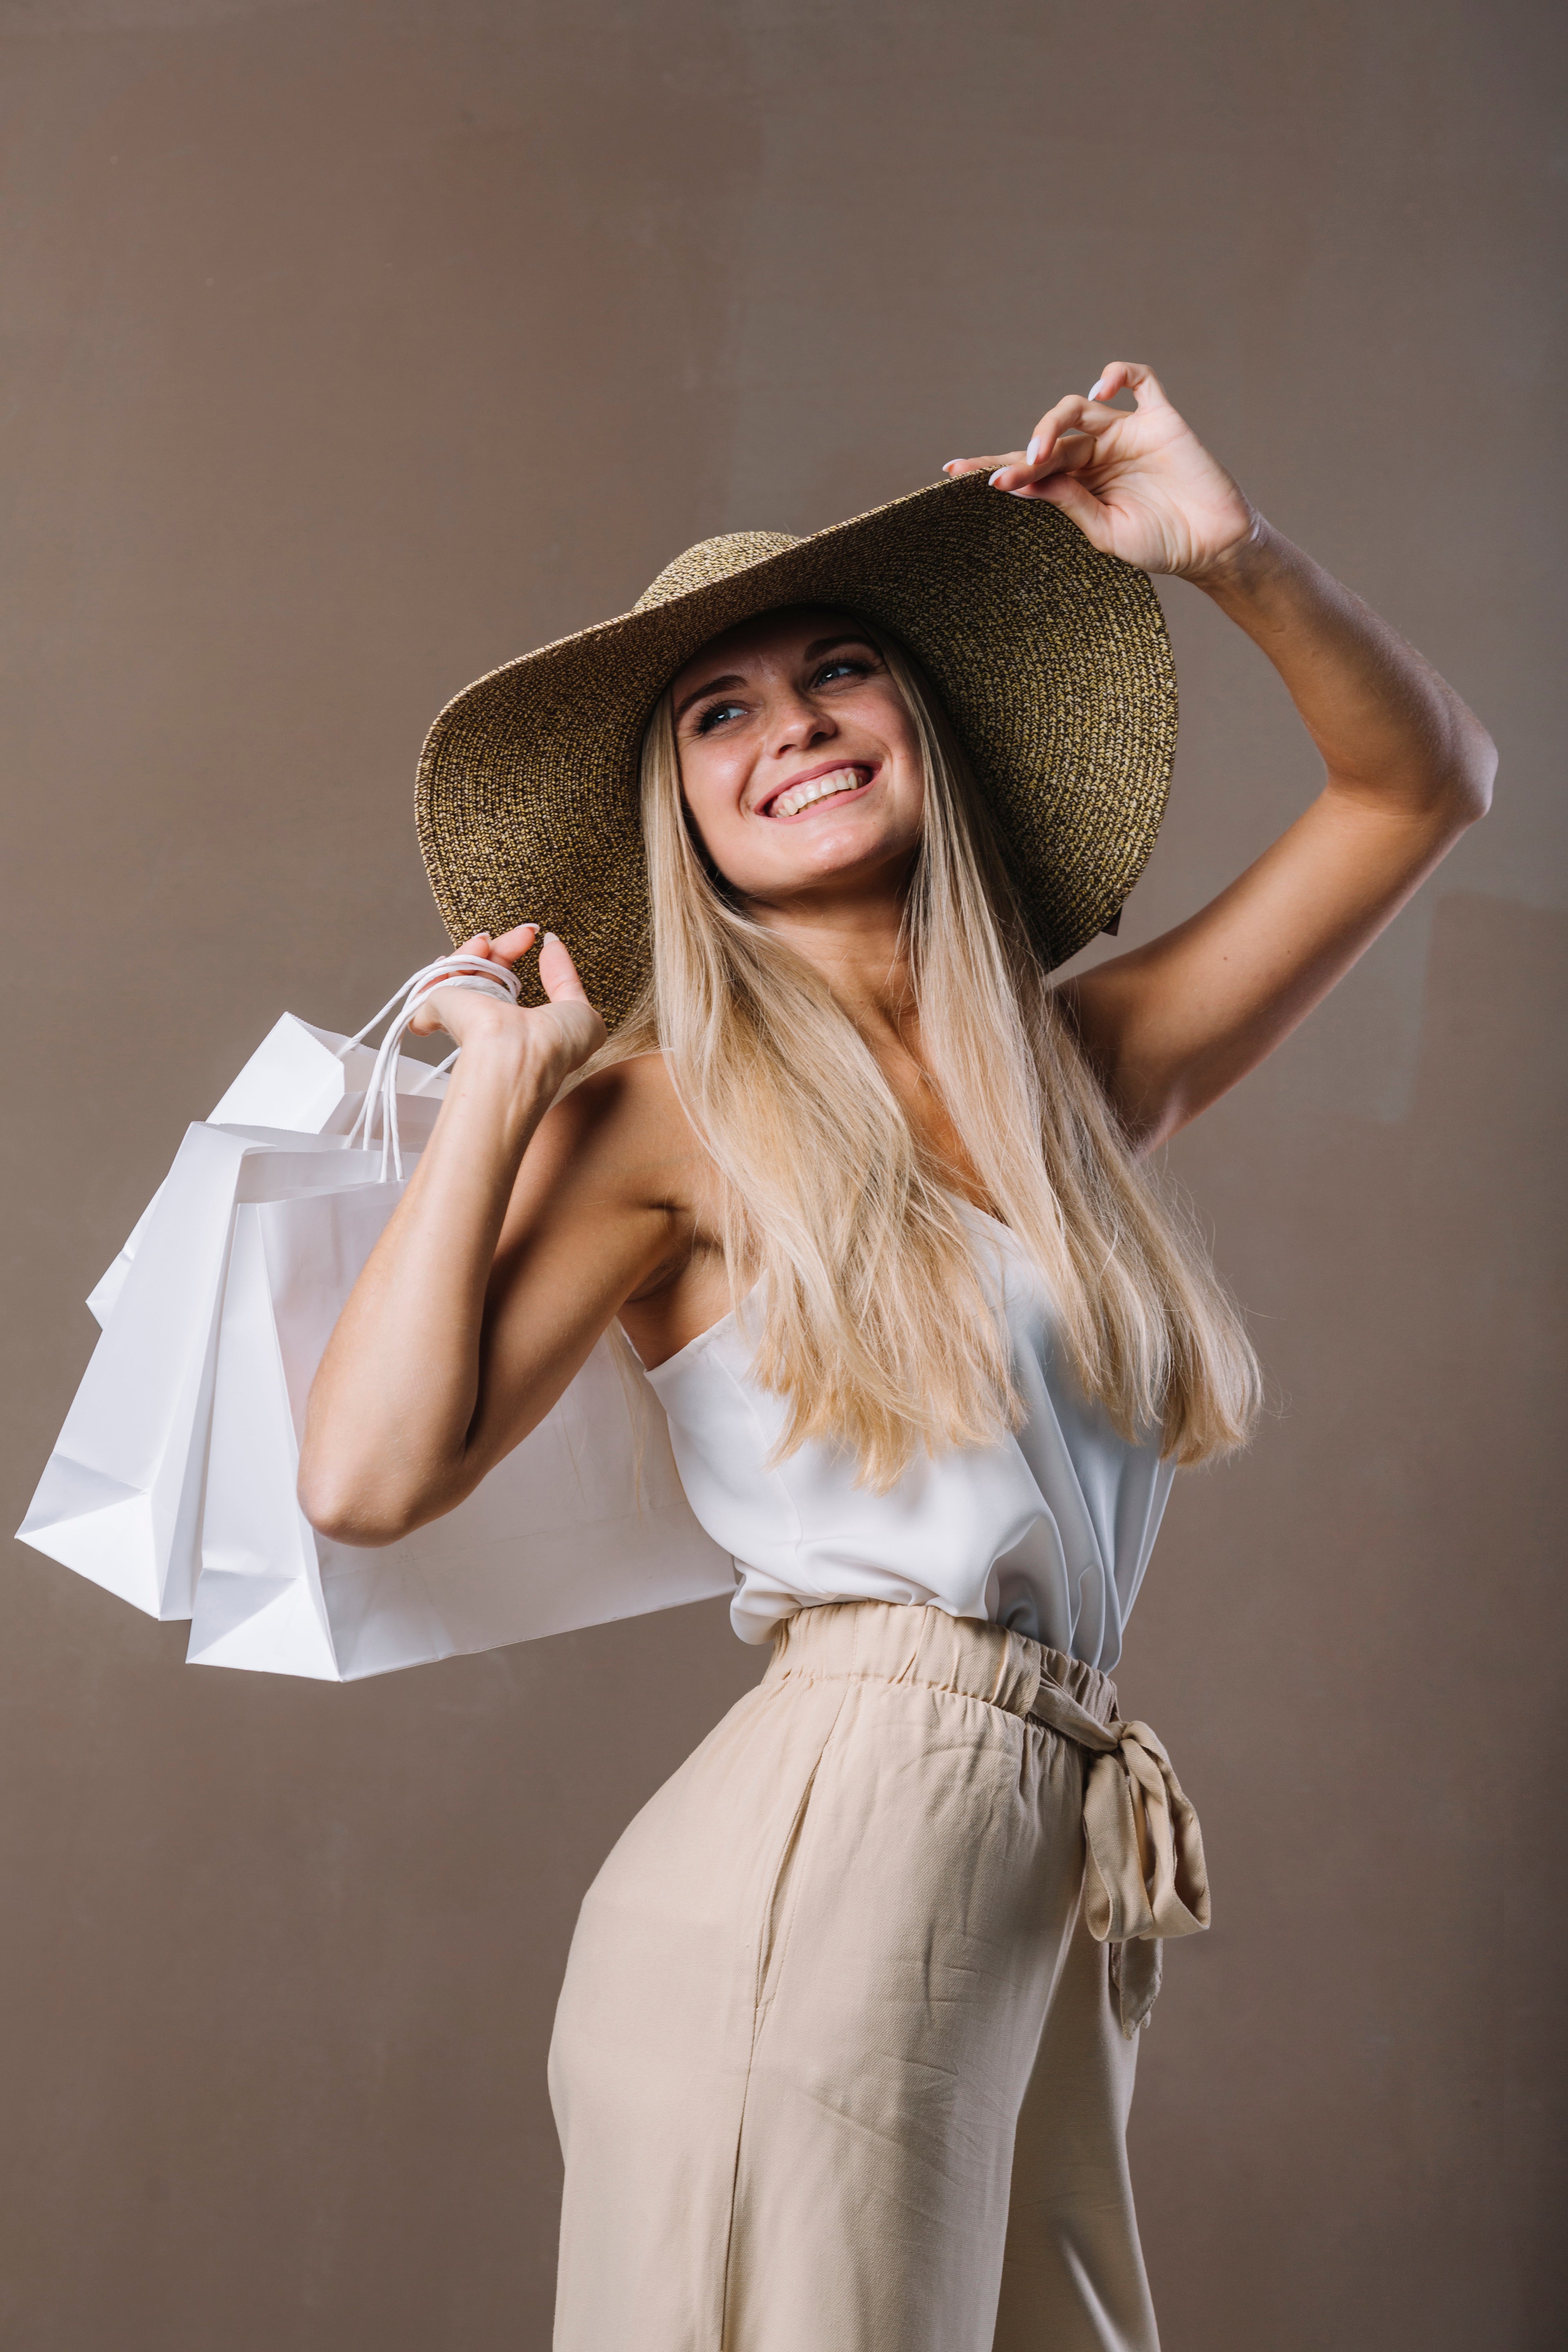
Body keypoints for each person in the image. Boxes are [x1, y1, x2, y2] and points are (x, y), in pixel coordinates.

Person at [298, 363, 1494, 2351]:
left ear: (922, 725)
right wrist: (505, 1099)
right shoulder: (662, 1118)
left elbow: (1422, 786)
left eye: (839, 672)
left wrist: (1236, 556)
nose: (796, 730)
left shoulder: (1080, 1082)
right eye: (721, 714)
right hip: (818, 1868)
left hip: (1043, 1867)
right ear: (681, 814)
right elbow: (364, 1479)